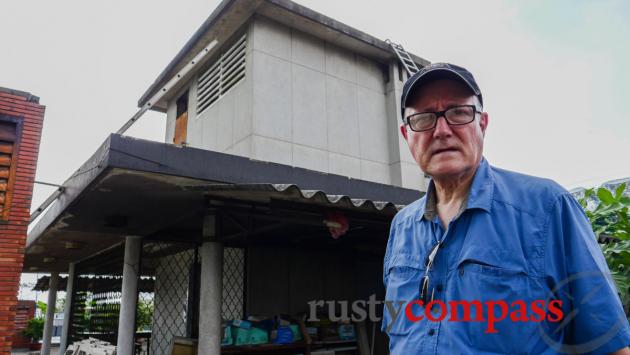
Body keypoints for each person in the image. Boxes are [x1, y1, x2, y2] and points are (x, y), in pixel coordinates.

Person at [381, 62, 630, 354]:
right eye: (423, 119)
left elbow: (608, 343)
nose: (442, 130)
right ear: (406, 134)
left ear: (482, 124)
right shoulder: (402, 226)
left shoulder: (548, 208)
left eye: (459, 113)